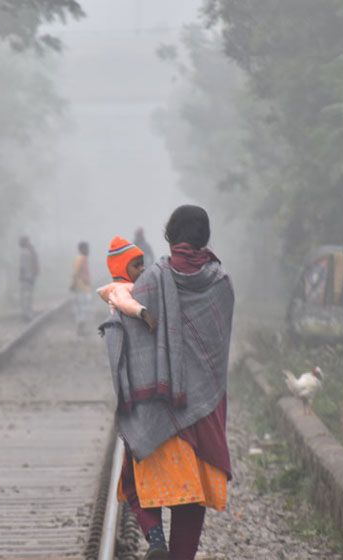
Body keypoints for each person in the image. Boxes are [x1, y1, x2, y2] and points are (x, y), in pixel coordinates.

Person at [100, 205, 234, 560]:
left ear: (170, 238)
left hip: (157, 410)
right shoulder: (221, 284)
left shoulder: (150, 281)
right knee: (193, 498)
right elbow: (217, 354)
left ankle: (156, 540)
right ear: (205, 238)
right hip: (202, 412)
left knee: (137, 481)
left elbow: (123, 331)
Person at [96, 235, 156, 331]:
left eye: (142, 264)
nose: (142, 268)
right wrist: (143, 313)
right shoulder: (121, 288)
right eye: (137, 266)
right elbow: (125, 302)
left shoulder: (127, 285)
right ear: (122, 270)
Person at [70, 241, 92, 335]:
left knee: (82, 308)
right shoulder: (81, 259)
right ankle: (80, 330)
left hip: (83, 287)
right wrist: (73, 285)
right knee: (82, 308)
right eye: (86, 248)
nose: (88, 250)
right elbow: (76, 273)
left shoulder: (83, 259)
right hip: (81, 287)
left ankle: (81, 329)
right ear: (82, 249)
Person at [18, 236, 39, 321]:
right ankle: (28, 314)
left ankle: (26, 314)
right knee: (28, 296)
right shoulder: (28, 252)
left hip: (26, 277)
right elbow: (28, 266)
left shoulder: (24, 252)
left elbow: (22, 267)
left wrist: (21, 276)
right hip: (29, 277)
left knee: (25, 296)